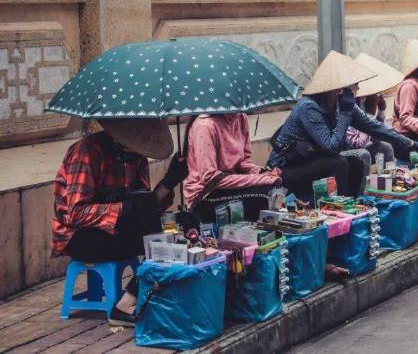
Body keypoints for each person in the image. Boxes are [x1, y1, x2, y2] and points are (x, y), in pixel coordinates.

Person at [51, 118, 187, 326]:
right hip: (78, 235)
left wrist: (170, 180)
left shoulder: (135, 157)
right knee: (155, 244)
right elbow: (75, 213)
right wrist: (123, 208)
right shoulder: (87, 152)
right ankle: (124, 306)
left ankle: (150, 298)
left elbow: (146, 205)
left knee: (176, 233)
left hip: (119, 228)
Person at [268, 51, 418, 198]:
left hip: (313, 161)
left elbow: (374, 127)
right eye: (354, 85)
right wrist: (345, 114)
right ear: (339, 89)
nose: (358, 88)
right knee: (339, 162)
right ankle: (341, 209)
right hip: (286, 168)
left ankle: (354, 207)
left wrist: (411, 143)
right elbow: (331, 146)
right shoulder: (309, 107)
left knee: (356, 163)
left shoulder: (344, 105)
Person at [183, 113, 283, 223]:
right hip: (205, 194)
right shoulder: (205, 126)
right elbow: (211, 178)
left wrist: (263, 172)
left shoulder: (240, 117)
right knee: (263, 194)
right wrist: (261, 179)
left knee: (275, 186)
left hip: (231, 186)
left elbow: (243, 162)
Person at [343, 53, 403, 186]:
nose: (357, 88)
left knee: (386, 148)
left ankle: (389, 184)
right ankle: (363, 191)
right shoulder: (347, 105)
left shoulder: (364, 102)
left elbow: (376, 138)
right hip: (345, 151)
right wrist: (370, 113)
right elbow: (357, 143)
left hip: (362, 147)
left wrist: (380, 112)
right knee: (365, 154)